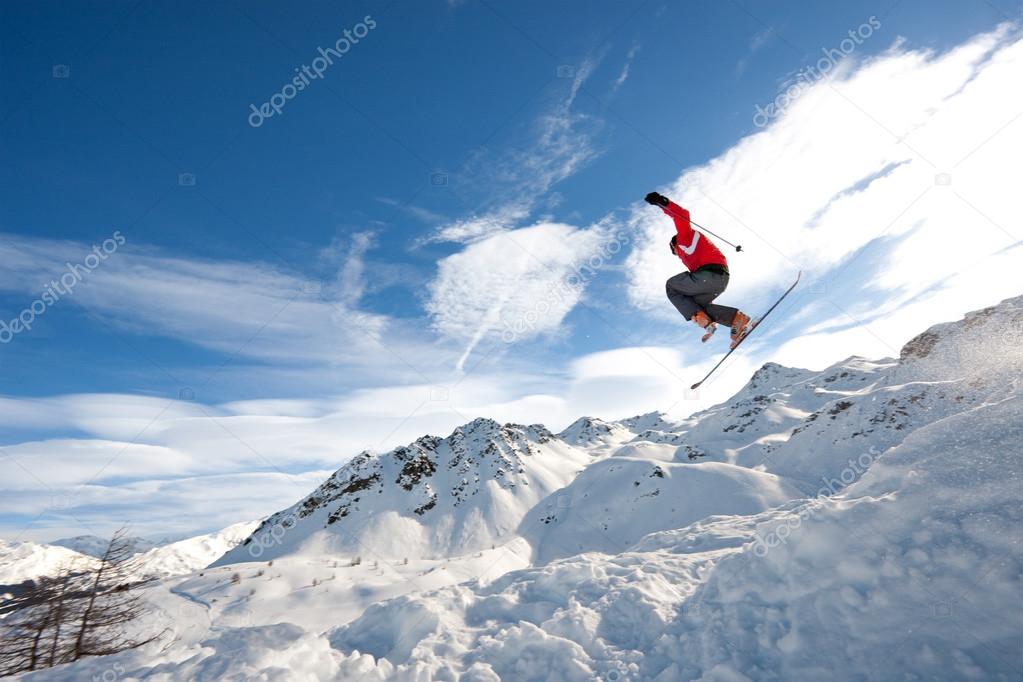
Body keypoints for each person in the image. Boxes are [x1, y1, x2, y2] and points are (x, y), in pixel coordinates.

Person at [645, 191, 751, 347]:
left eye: (675, 252)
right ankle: (736, 319)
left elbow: (682, 214)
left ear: (674, 245)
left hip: (711, 274)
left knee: (672, 286)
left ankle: (701, 317)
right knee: (696, 305)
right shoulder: (692, 252)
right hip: (718, 279)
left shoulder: (684, 238)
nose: (678, 256)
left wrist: (662, 202)